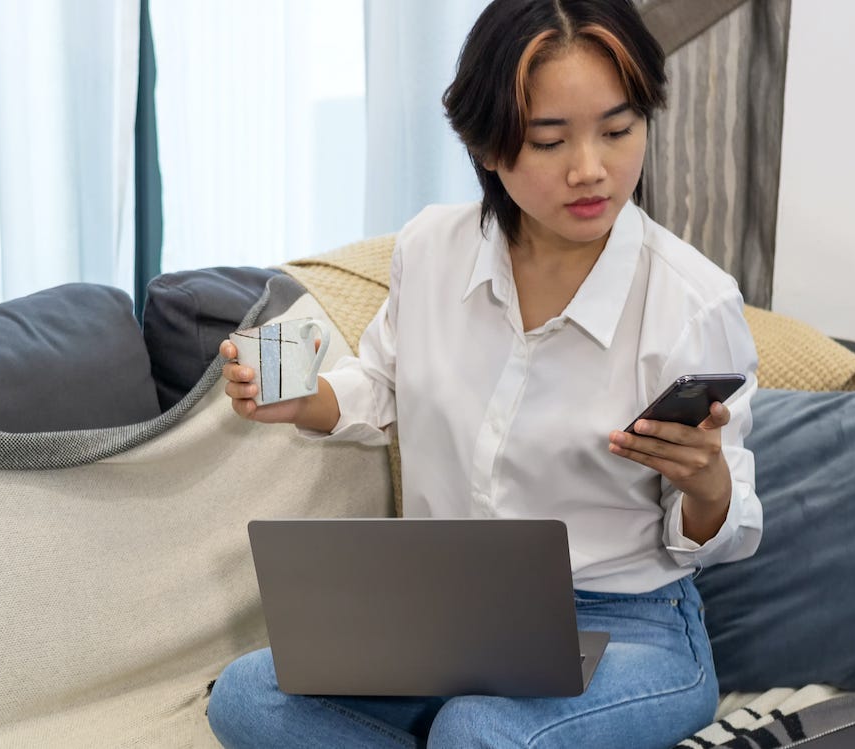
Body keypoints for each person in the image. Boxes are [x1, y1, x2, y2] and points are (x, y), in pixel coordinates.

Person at [207, 0, 762, 745]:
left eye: (618, 129)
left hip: (632, 627)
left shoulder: (692, 303)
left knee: (476, 729)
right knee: (247, 695)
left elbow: (724, 529)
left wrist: (707, 484)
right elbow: (382, 381)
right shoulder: (431, 248)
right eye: (548, 140)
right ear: (488, 145)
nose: (590, 168)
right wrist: (304, 398)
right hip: (450, 617)